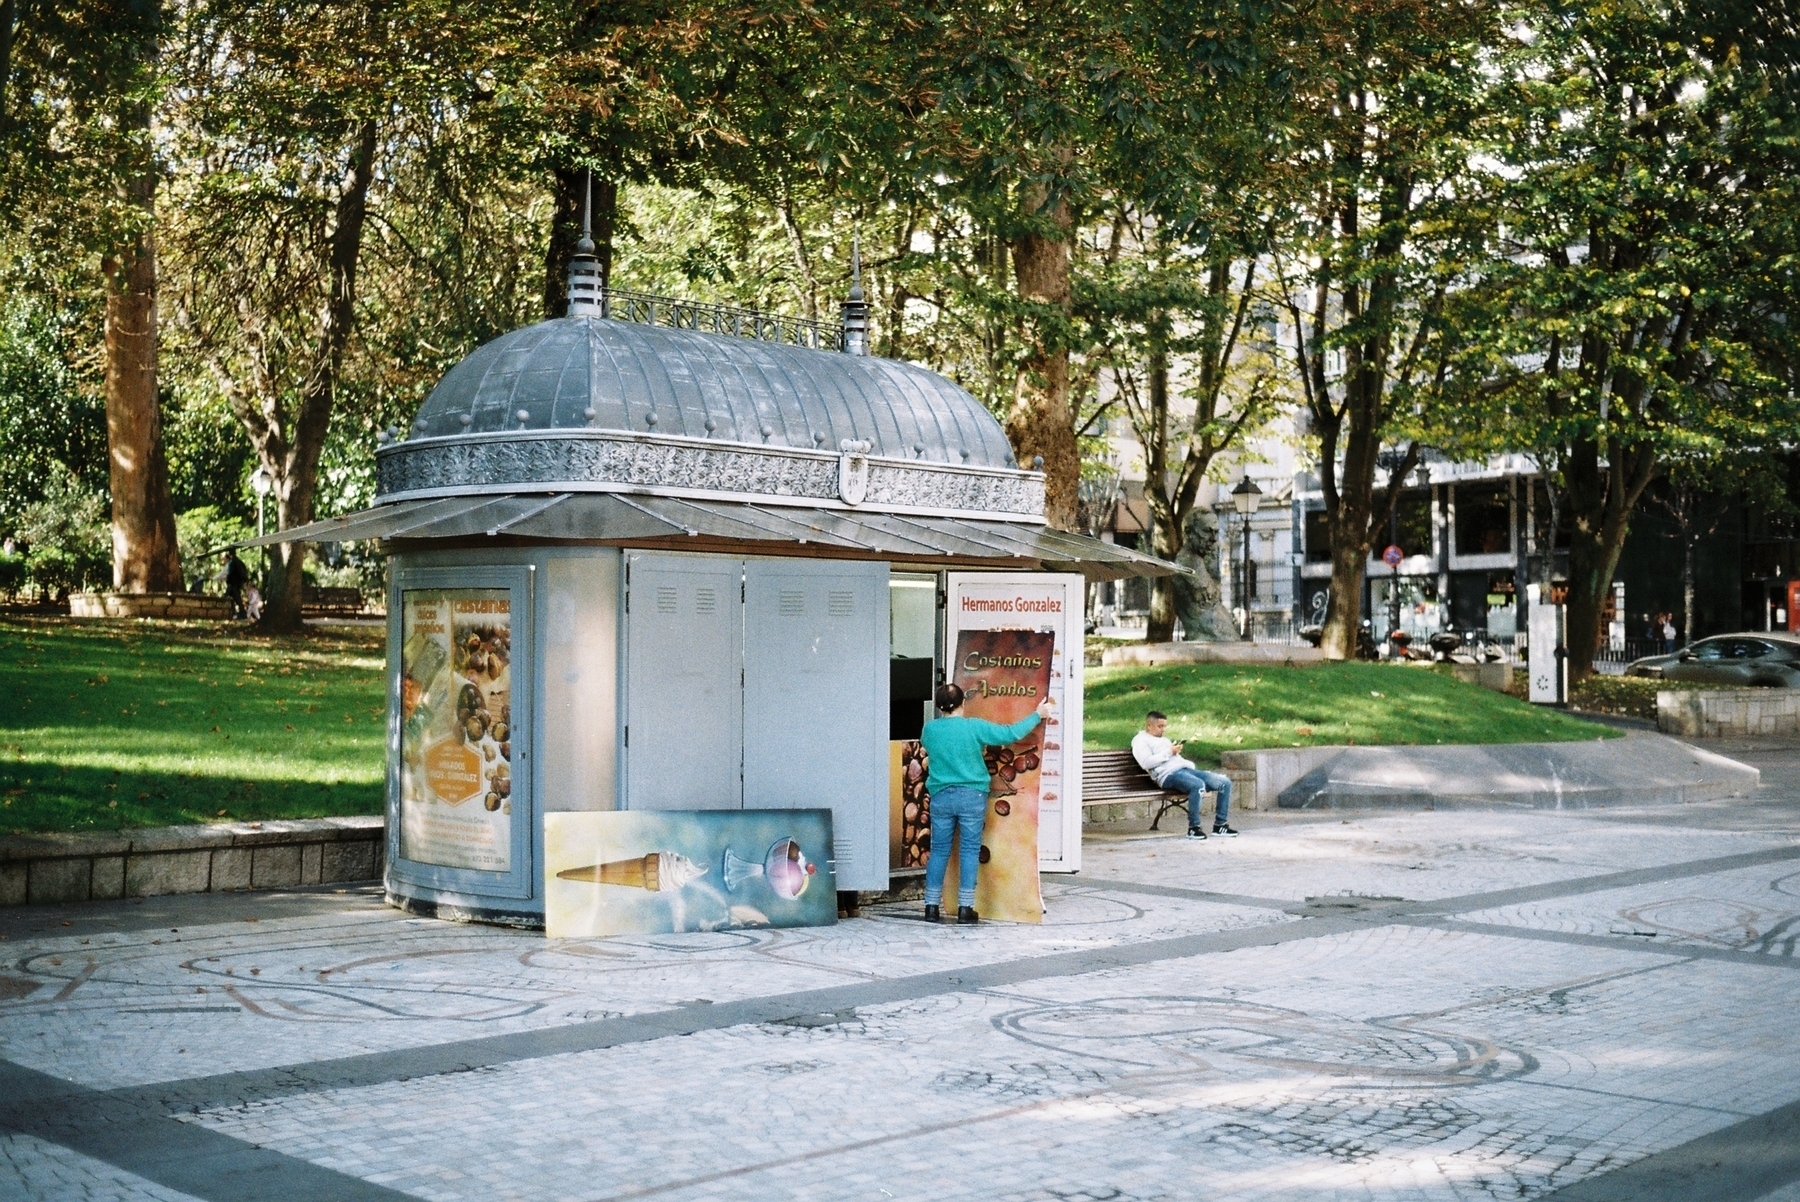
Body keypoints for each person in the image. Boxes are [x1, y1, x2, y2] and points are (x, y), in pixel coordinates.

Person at [919, 683, 1052, 925]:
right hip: (972, 796)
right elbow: (1009, 734)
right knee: (969, 850)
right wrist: (1038, 714)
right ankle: (965, 908)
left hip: (940, 796)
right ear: (963, 703)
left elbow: (929, 747)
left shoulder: (930, 730)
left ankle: (930, 907)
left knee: (939, 851)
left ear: (938, 706)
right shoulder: (974, 727)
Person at [1131, 710, 1238, 839]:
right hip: (1168, 776)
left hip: (1184, 770)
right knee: (1198, 785)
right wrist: (1169, 752)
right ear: (1149, 726)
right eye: (1160, 726)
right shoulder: (1140, 740)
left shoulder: (1164, 740)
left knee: (1224, 783)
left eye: (1165, 726)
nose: (1163, 729)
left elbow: (1177, 760)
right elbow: (1146, 762)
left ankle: (1220, 825)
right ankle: (1194, 828)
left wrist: (1180, 757)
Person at [217, 550, 249, 619]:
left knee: (230, 598)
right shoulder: (239, 562)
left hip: (233, 584)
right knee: (233, 599)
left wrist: (228, 580)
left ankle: (241, 615)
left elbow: (230, 573)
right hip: (237, 584)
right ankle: (235, 614)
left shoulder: (232, 562)